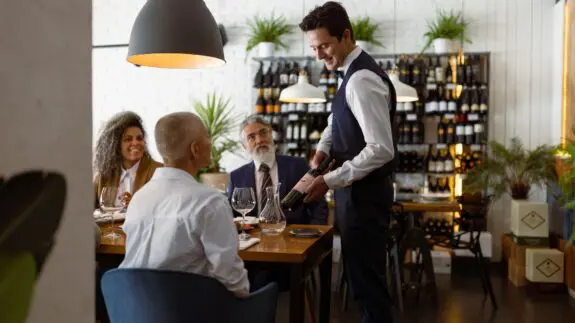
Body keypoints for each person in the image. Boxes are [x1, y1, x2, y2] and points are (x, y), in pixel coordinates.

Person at [299, 2, 399, 322]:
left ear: (346, 36)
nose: (319, 55)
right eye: (314, 48)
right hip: (354, 195)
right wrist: (323, 147)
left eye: (324, 45)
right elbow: (337, 119)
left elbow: (381, 149)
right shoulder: (347, 74)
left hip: (365, 197)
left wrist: (328, 180)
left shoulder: (361, 80)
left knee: (368, 286)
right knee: (361, 281)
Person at [119, 112, 250, 298]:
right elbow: (233, 283)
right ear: (195, 149)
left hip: (134, 310)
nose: (210, 142)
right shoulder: (210, 201)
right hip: (187, 311)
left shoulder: (138, 198)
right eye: (207, 137)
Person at [228, 114, 328, 225]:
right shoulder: (236, 177)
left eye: (263, 133)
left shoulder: (298, 166)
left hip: (293, 237)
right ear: (244, 146)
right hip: (254, 238)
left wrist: (315, 235)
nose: (260, 140)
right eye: (251, 137)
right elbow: (231, 216)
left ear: (271, 134)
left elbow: (318, 205)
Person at [92, 111, 162, 209]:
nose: (135, 143)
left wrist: (137, 206)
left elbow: (164, 210)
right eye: (128, 139)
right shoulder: (103, 176)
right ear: (115, 145)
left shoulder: (159, 171)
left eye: (139, 138)